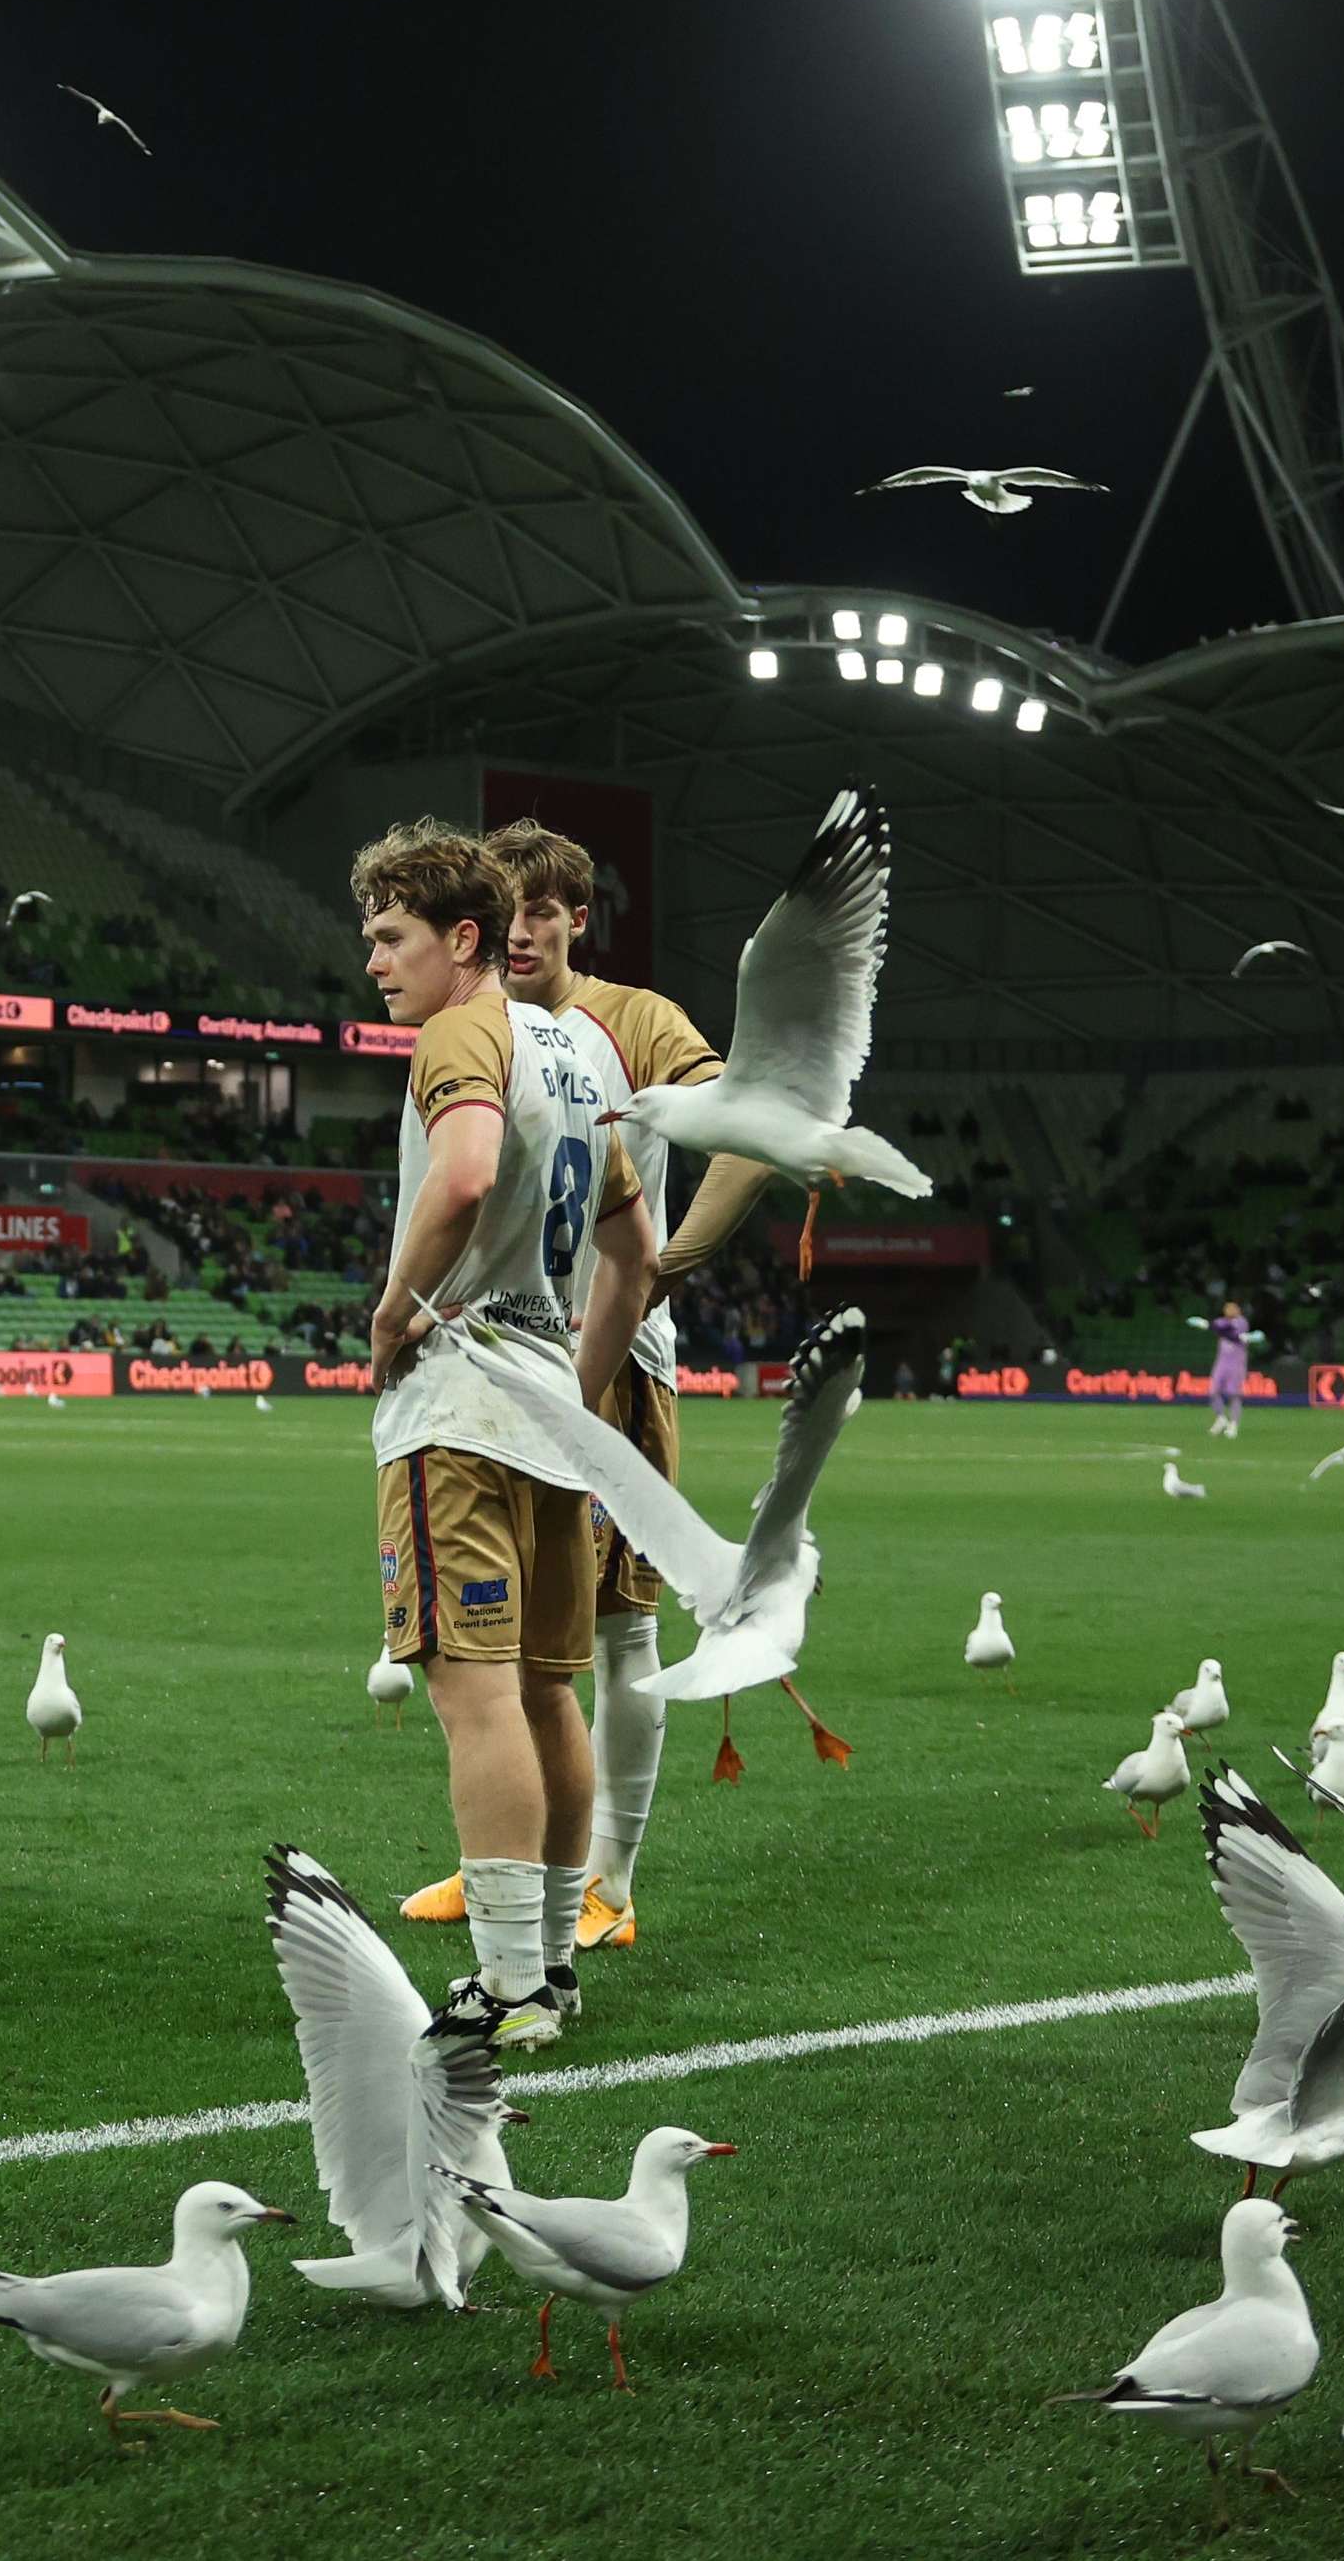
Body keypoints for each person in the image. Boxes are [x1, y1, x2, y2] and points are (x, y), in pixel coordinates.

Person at [403, 823, 782, 1946]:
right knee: (493, 1643)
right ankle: (508, 1862)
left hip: (609, 1366)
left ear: (577, 919)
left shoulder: (635, 1020)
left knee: (612, 1635)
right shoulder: (478, 1029)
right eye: (505, 911)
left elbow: (749, 1133)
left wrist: (670, 1269)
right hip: (500, 1370)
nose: (520, 930)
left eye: (543, 911)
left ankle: (610, 1876)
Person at [352, 819, 641, 2051]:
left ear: (459, 937)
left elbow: (464, 1173)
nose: (375, 961)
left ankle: (512, 1986)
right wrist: (571, 1379)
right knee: (549, 1697)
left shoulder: (458, 1033)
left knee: (476, 1705)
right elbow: (628, 1253)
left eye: (390, 935)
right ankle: (556, 1967)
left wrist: (392, 1313)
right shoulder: (578, 1047)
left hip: (459, 1411)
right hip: (547, 1410)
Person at [1209, 1297, 1255, 1438]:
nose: (1228, 1310)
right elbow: (1217, 1326)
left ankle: (1233, 1424)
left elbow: (1231, 1334)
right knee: (1212, 1391)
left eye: (1232, 1308)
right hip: (1221, 1362)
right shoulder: (1221, 1321)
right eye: (1226, 1308)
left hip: (1236, 1364)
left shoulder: (1241, 1322)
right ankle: (1221, 1418)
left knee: (1234, 1395)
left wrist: (1208, 1326)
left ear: (1238, 1310)